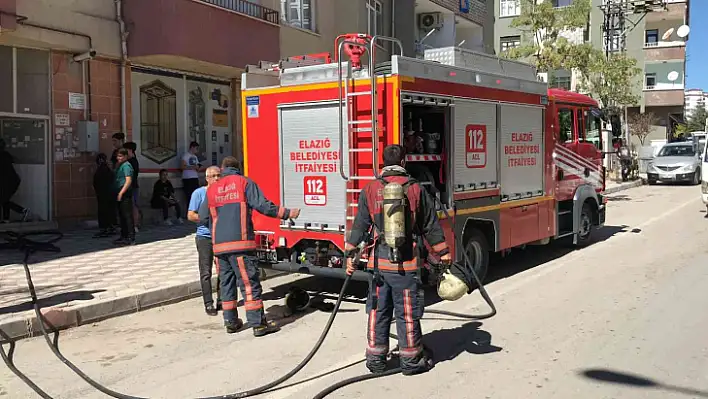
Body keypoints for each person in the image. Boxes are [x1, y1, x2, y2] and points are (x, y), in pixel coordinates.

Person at [345, 144, 451, 376]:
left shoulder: (370, 189)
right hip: (406, 265)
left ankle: (375, 360)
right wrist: (443, 253)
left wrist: (350, 256)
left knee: (378, 311)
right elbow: (430, 226)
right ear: (404, 162)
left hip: (378, 266)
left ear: (382, 163)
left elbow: (360, 227)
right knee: (407, 313)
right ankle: (411, 361)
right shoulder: (415, 189)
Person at [199, 156, 301, 335]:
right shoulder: (244, 183)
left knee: (226, 285)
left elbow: (203, 217)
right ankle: (258, 324)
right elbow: (263, 206)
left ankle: (231, 322)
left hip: (219, 247)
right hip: (241, 244)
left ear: (222, 169)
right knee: (248, 284)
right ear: (238, 168)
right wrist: (287, 213)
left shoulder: (212, 189)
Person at [188, 166, 221, 316]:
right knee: (206, 271)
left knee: (224, 270)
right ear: (207, 178)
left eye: (218, 175)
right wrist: (206, 218)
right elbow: (190, 215)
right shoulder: (199, 193)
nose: (216, 179)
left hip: (221, 236)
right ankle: (209, 303)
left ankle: (223, 299)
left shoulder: (224, 193)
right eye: (213, 176)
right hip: (204, 237)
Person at [0, 138, 29, 223]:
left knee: (3, 199)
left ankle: (23, 210)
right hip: (12, 181)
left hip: (8, 182)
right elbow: (14, 159)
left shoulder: (3, 155)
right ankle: (6, 220)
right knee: (4, 199)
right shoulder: (6, 154)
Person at [113, 148, 135, 245]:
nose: (119, 158)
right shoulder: (120, 165)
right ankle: (123, 236)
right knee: (121, 215)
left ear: (126, 156)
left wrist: (121, 193)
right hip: (119, 191)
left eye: (121, 156)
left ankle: (130, 237)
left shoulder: (126, 166)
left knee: (127, 215)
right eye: (118, 156)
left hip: (125, 192)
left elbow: (128, 180)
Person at [93, 153, 116, 237]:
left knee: (103, 211)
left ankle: (105, 228)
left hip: (102, 195)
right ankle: (111, 227)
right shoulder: (108, 170)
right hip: (110, 194)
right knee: (110, 211)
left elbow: (96, 183)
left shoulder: (100, 171)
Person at [123, 142, 141, 232]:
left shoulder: (133, 162)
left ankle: (134, 226)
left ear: (130, 151)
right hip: (130, 187)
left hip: (132, 187)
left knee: (133, 206)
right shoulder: (130, 161)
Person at [181, 141, 202, 209]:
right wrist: (192, 167)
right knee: (189, 196)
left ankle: (196, 210)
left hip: (195, 177)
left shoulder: (195, 157)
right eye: (196, 148)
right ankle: (189, 212)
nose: (197, 150)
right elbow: (182, 167)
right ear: (192, 147)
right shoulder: (185, 155)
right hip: (188, 178)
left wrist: (198, 167)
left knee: (196, 195)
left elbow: (197, 166)